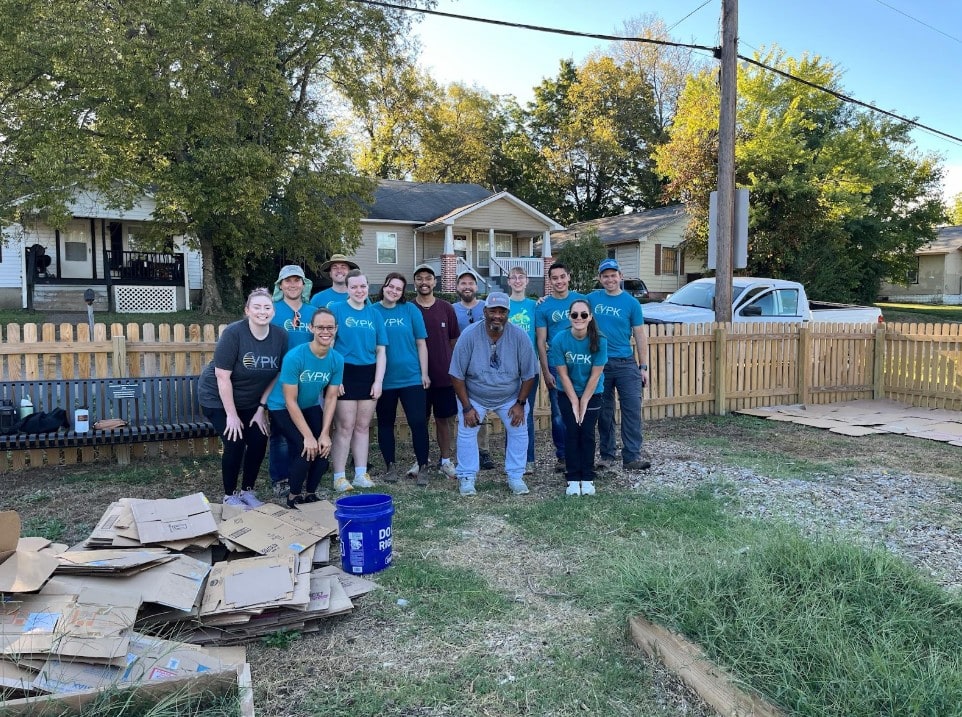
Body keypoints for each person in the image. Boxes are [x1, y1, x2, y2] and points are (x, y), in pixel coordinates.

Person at [198, 287, 288, 508]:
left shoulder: (280, 336)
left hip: (250, 401)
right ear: (247, 310)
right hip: (217, 397)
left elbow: (277, 374)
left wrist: (260, 408)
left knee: (259, 438)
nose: (262, 311)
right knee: (235, 440)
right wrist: (231, 415)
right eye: (256, 307)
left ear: (273, 311)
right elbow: (222, 376)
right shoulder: (234, 333)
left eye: (267, 307)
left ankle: (248, 491)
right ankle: (230, 495)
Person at [449, 292, 538, 497]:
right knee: (466, 430)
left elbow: (529, 374)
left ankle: (516, 476)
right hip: (475, 395)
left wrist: (520, 403)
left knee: (519, 429)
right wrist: (467, 407)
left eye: (502, 311)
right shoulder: (470, 334)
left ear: (508, 313)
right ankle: (467, 477)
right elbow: (456, 374)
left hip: (509, 396)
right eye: (493, 311)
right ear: (485, 311)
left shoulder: (519, 336)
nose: (497, 315)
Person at [266, 308, 343, 508]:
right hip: (282, 406)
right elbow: (290, 400)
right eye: (320, 327)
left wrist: (325, 433)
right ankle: (293, 496)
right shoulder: (295, 357)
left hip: (309, 404)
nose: (325, 331)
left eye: (329, 327)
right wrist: (308, 436)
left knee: (323, 447)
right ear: (311, 328)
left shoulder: (337, 360)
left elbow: (331, 397)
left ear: (336, 329)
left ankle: (310, 493)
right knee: (305, 447)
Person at [589, 259, 651, 470]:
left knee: (631, 409)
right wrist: (542, 300)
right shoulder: (591, 299)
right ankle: (607, 456)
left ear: (620, 276)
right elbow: (568, 302)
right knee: (604, 413)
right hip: (600, 364)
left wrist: (643, 367)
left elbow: (640, 335)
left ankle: (632, 456)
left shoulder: (631, 303)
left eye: (613, 275)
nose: (610, 279)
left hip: (626, 363)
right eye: (605, 276)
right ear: (599, 279)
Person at [329, 269, 388, 492]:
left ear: (367, 287)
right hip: (345, 372)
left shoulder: (374, 314)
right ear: (347, 288)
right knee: (344, 426)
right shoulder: (336, 310)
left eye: (362, 286)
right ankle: (339, 476)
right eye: (354, 287)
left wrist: (378, 381)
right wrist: (335, 378)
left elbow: (381, 350)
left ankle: (361, 474)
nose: (359, 290)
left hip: (368, 373)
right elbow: (330, 345)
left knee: (363, 427)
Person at [373, 272, 432, 485]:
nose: (394, 291)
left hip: (411, 377)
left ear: (402, 292)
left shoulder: (410, 310)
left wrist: (424, 373)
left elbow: (421, 343)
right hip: (384, 380)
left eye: (398, 289)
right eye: (391, 286)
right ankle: (390, 466)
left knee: (418, 423)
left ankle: (423, 466)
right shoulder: (372, 312)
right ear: (384, 286)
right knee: (386, 423)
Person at [549, 299, 608, 496]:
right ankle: (573, 478)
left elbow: (596, 373)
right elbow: (562, 374)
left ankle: (588, 477)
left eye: (584, 314)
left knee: (588, 433)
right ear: (569, 317)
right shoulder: (560, 339)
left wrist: (584, 401)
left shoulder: (600, 340)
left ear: (590, 317)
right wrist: (574, 400)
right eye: (575, 315)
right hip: (567, 392)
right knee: (572, 432)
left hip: (593, 392)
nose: (579, 318)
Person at [269, 265, 318, 497]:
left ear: (303, 284)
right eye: (287, 281)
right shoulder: (272, 310)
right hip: (279, 381)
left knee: (303, 430)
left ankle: (300, 474)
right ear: (280, 285)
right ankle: (280, 478)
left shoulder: (313, 312)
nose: (292, 285)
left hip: (307, 381)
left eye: (296, 280)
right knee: (280, 434)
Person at [535, 262, 585, 474]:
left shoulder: (581, 301)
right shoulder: (543, 306)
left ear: (569, 277)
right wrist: (546, 371)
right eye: (554, 278)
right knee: (558, 413)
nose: (559, 281)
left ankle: (581, 452)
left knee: (583, 409)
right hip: (557, 365)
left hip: (580, 363)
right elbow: (540, 341)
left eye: (562, 276)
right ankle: (563, 455)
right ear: (550, 280)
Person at [412, 264, 460, 480]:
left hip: (443, 376)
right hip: (415, 376)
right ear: (415, 283)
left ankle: (446, 461)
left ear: (434, 282)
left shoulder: (446, 308)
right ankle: (420, 460)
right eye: (420, 278)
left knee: (443, 420)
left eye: (428, 278)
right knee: (419, 420)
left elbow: (453, 341)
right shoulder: (409, 308)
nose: (424, 282)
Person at [452, 271, 494, 470]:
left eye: (471, 283)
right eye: (463, 283)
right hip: (459, 366)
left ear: (477, 287)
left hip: (482, 367)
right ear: (457, 287)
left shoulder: (486, 308)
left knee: (481, 409)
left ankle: (483, 450)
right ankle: (459, 450)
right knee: (460, 409)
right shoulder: (451, 310)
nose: (467, 286)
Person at [506, 266, 539, 474]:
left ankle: (528, 459)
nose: (517, 281)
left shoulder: (535, 306)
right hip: (508, 369)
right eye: (513, 278)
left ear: (527, 281)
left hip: (529, 369)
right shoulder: (503, 304)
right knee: (510, 413)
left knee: (526, 413)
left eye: (521, 277)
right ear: (508, 282)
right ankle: (511, 459)